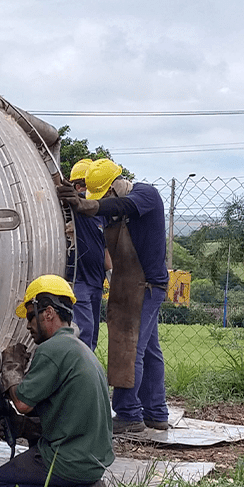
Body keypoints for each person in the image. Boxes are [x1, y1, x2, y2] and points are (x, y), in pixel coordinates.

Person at [0, 275, 113, 487]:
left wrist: (11, 369)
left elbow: (21, 403)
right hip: (92, 458)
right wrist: (23, 427)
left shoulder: (52, 349)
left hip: (71, 461)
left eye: (31, 317)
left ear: (49, 313)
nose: (28, 326)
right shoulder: (77, 348)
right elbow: (62, 412)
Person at [57, 159, 170, 434]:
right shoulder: (112, 209)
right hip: (127, 284)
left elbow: (123, 206)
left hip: (147, 285)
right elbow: (102, 213)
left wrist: (89, 205)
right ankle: (156, 412)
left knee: (130, 349)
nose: (101, 202)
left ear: (115, 187)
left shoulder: (145, 195)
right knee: (150, 350)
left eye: (103, 196)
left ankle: (129, 413)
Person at [66, 159, 111, 351]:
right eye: (83, 185)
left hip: (96, 282)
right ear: (76, 187)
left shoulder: (100, 213)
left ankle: (89, 374)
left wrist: (111, 276)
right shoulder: (73, 211)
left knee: (92, 335)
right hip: (79, 281)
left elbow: (105, 248)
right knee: (83, 331)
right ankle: (79, 375)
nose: (86, 191)